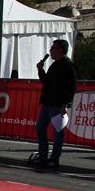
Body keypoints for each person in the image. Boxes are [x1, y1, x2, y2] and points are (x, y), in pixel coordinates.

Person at [35, 39, 77, 168]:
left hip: (57, 104)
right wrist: (40, 70)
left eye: (53, 49)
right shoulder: (54, 65)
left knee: (58, 132)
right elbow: (46, 82)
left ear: (60, 50)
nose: (50, 51)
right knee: (40, 128)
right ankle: (43, 156)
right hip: (48, 103)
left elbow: (72, 87)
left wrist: (66, 104)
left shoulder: (68, 65)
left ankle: (54, 158)